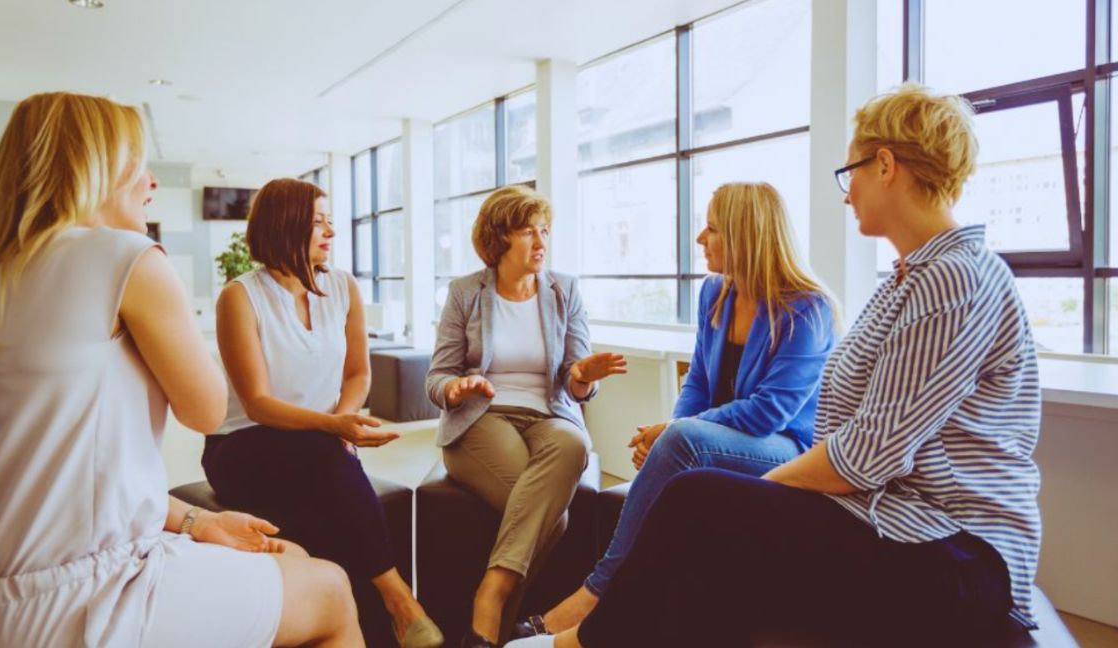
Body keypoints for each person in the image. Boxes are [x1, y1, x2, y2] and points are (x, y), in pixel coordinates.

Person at [507, 84, 1042, 648]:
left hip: (954, 551)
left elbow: (864, 454)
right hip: (892, 521)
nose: (846, 193)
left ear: (886, 165)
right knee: (704, 524)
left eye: (851, 172)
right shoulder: (907, 281)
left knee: (696, 499)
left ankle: (577, 640)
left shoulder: (954, 278)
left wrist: (757, 491)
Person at [0, 92, 363, 647]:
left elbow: (55, 473)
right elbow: (206, 408)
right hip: (92, 599)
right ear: (96, 169)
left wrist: (198, 522)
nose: (151, 184)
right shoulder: (124, 256)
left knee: (291, 556)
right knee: (330, 589)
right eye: (138, 165)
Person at [529, 182, 838, 637]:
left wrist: (674, 432)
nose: (700, 239)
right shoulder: (715, 293)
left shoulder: (807, 310)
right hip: (721, 440)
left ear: (744, 235)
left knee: (680, 442)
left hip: (787, 451)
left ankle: (594, 596)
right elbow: (697, 381)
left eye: (711, 229)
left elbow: (769, 413)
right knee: (677, 444)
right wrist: (671, 432)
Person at [203, 178, 443, 648]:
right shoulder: (240, 296)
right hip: (242, 444)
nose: (331, 230)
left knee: (327, 486)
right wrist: (335, 427)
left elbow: (358, 374)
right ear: (286, 225)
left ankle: (361, 627)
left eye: (329, 219)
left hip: (317, 447)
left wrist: (343, 423)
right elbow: (257, 402)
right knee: (326, 461)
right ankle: (398, 599)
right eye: (318, 221)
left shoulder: (342, 287)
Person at [426, 185, 628, 648]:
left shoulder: (564, 289)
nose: (541, 242)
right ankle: (495, 607)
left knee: (574, 444)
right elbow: (437, 377)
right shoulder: (465, 293)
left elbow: (574, 380)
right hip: (483, 417)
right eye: (527, 231)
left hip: (550, 414)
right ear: (498, 239)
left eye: (545, 231)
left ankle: (487, 608)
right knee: (549, 517)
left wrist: (584, 377)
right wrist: (456, 388)